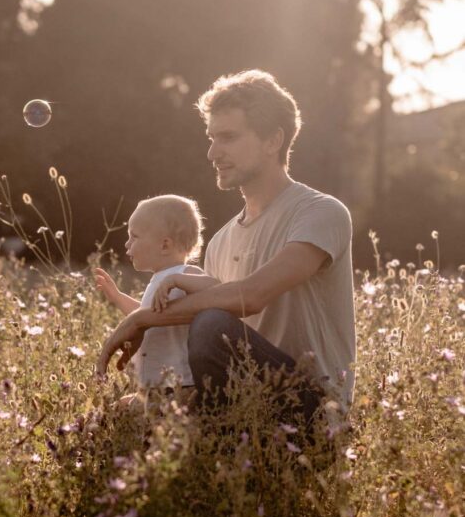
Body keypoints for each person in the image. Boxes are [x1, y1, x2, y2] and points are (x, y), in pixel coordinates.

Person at [97, 70, 356, 424]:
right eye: (211, 138)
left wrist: (143, 318)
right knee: (119, 416)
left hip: (311, 407)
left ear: (273, 141)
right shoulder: (219, 241)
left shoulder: (320, 212)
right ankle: (197, 431)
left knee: (211, 324)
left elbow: (252, 294)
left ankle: (200, 430)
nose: (212, 152)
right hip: (245, 404)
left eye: (228, 138)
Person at [94, 194, 204, 390]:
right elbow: (147, 317)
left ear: (165, 245)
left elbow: (216, 289)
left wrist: (177, 280)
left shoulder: (185, 273)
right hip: (152, 384)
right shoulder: (158, 279)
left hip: (179, 383)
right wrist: (118, 298)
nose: (127, 244)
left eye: (134, 236)